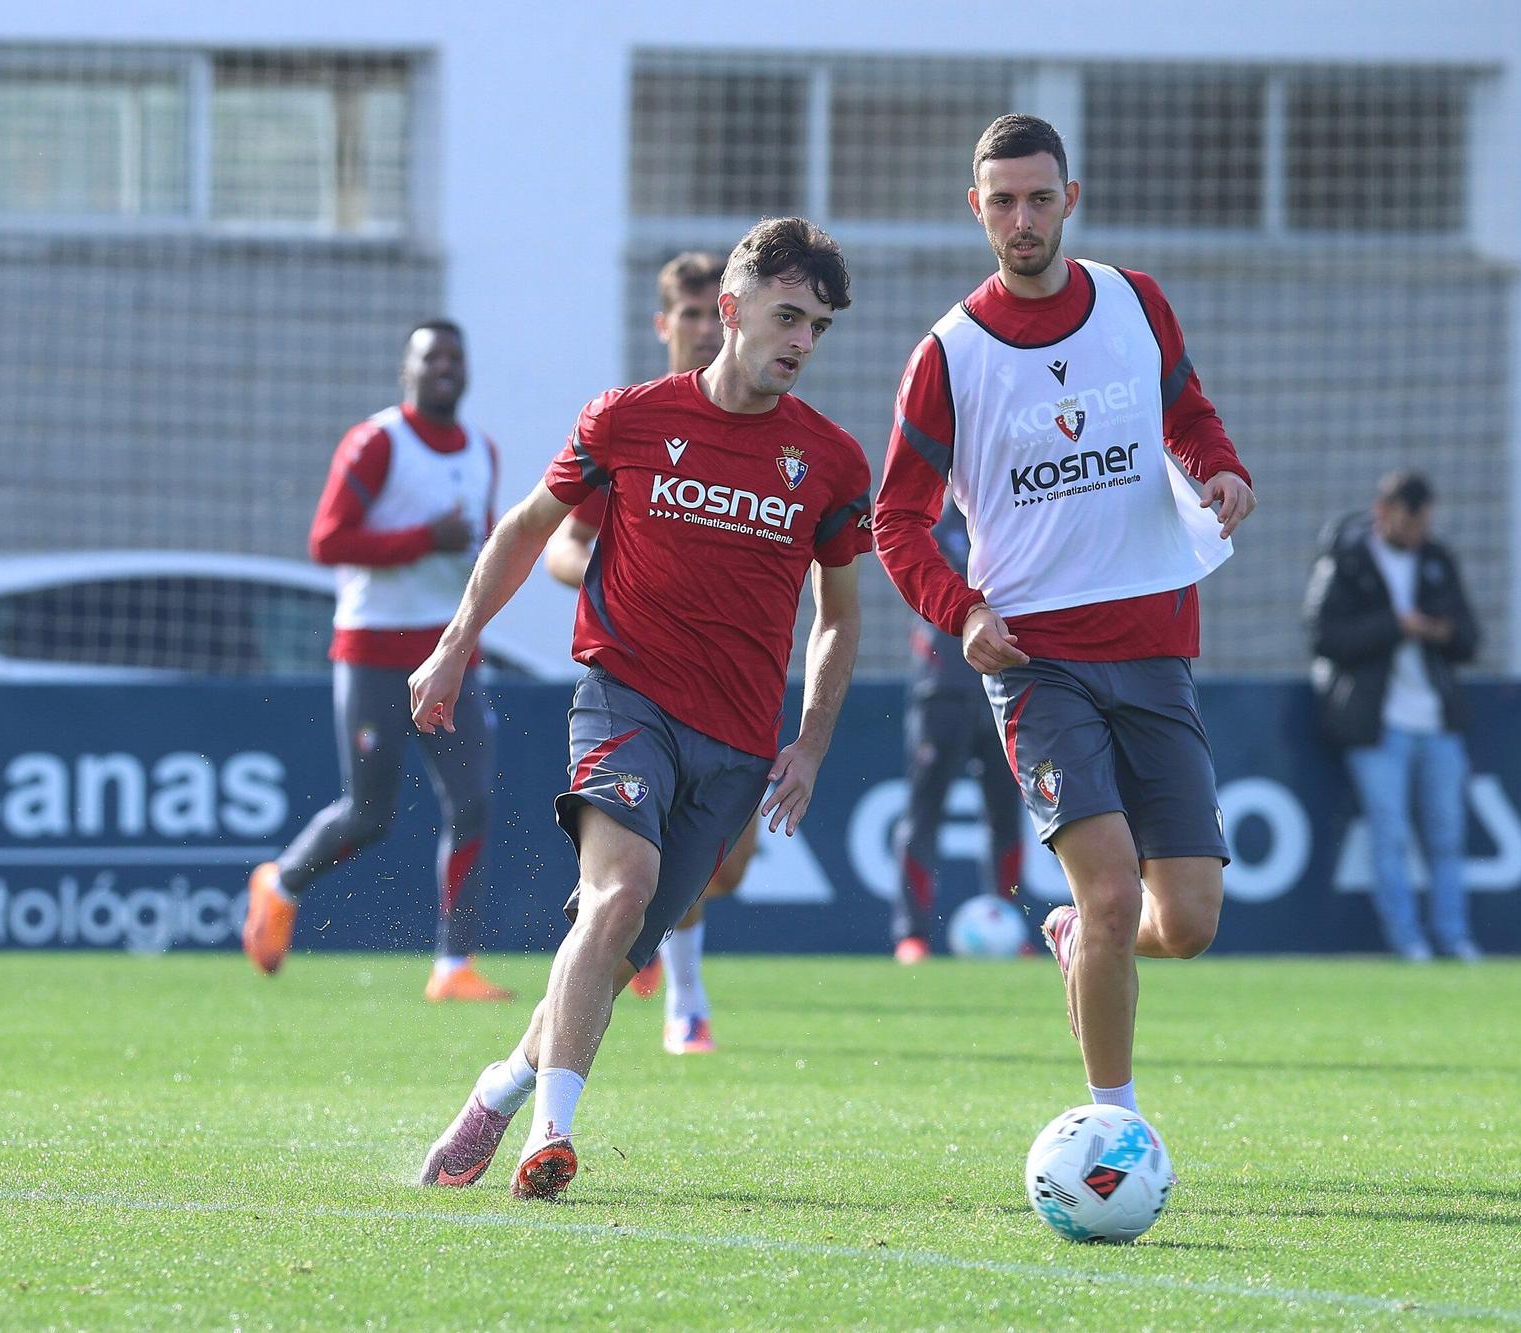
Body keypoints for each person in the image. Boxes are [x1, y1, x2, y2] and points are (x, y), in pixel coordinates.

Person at [414, 217, 871, 1200]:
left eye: (818, 328)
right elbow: (528, 528)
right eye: (786, 316)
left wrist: (811, 743)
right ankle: (550, 1135)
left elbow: (837, 617)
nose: (799, 342)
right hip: (624, 701)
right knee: (617, 891)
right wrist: (453, 646)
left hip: (739, 747)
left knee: (614, 955)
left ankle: (498, 1089)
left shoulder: (829, 462)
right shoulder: (626, 418)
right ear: (731, 311)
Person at [874, 115, 1256, 1129]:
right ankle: (1113, 1128)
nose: (1020, 218)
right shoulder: (946, 354)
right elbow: (894, 519)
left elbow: (1188, 414)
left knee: (1187, 921)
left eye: (1038, 197)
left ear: (1069, 199)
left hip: (1157, 644)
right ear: (975, 208)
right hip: (1039, 663)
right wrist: (960, 612)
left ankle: (1071, 938)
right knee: (1110, 893)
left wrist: (1221, 469)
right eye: (1001, 200)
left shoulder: (1134, 303)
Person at [242, 320, 510, 1002]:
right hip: (374, 652)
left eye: (456, 356)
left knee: (472, 800)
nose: (445, 367)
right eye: (431, 357)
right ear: (407, 371)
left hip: (450, 653)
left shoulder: (482, 450)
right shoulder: (376, 441)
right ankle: (281, 882)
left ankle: (454, 966)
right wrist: (426, 538)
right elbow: (327, 540)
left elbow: (477, 550)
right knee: (370, 812)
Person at [543, 251, 749, 1052]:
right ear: (665, 325)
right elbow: (565, 542)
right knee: (651, 863)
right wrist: (623, 575)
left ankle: (645, 931)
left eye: (714, 314)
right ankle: (685, 997)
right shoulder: (635, 424)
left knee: (722, 867)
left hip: (738, 682)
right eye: (688, 316)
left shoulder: (768, 429)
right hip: (639, 677)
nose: (703, 330)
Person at [1303, 470, 1482, 962]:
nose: (1420, 532)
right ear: (1384, 512)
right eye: (1412, 520)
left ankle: (1453, 936)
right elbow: (1323, 636)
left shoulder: (1437, 560)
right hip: (1376, 725)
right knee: (1391, 835)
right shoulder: (1347, 560)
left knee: (1447, 837)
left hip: (1438, 721)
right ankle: (1408, 942)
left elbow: (1470, 638)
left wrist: (1439, 632)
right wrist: (1395, 627)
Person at [891, 504, 1027, 964]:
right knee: (924, 813)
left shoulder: (1010, 519)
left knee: (1006, 814)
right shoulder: (928, 526)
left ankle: (1009, 921)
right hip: (941, 693)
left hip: (1004, 690)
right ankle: (912, 935)